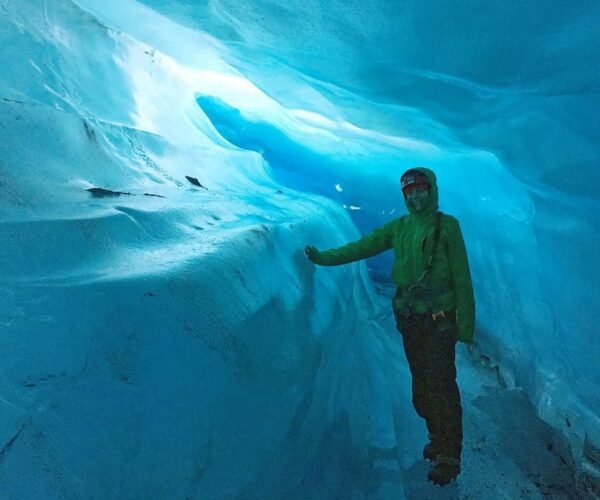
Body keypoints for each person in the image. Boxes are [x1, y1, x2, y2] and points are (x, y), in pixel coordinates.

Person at [304, 167, 475, 486]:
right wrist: (323, 257)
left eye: (421, 189)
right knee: (422, 389)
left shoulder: (448, 227)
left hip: (439, 321)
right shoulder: (399, 227)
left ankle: (449, 456)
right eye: (410, 191)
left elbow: (462, 276)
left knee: (441, 386)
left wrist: (465, 326)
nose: (416, 195)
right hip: (410, 320)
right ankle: (438, 439)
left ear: (432, 190)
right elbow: (362, 247)